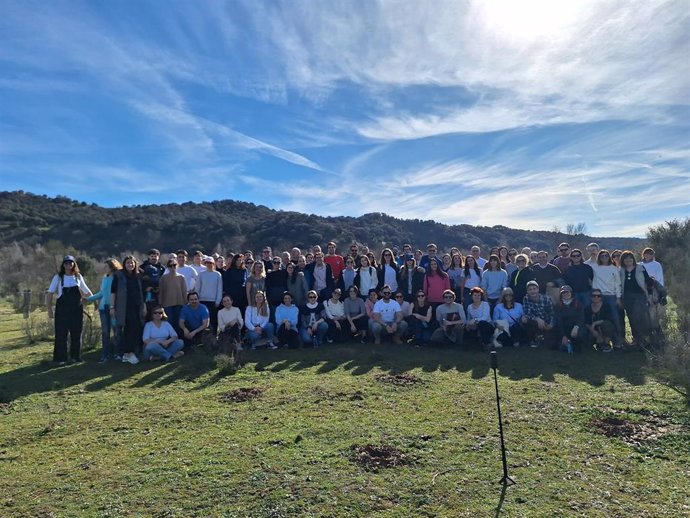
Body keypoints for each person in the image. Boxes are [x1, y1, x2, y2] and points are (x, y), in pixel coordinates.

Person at [46, 255, 93, 365]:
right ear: (63, 265)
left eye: (70, 263)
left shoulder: (78, 277)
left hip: (76, 310)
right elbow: (50, 293)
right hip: (62, 310)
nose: (68, 265)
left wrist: (91, 301)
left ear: (74, 264)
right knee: (61, 333)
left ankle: (75, 357)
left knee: (77, 333)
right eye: (66, 263)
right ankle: (60, 359)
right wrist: (49, 309)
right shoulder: (58, 277)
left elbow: (88, 292)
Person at [111, 255, 146, 364]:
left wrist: (144, 306)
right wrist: (112, 307)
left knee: (137, 329)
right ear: (124, 264)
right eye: (128, 263)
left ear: (135, 264)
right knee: (128, 329)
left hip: (137, 306)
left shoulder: (139, 275)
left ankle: (128, 354)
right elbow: (113, 292)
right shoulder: (118, 275)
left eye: (132, 263)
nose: (130, 265)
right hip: (124, 307)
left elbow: (142, 292)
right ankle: (128, 353)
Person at [86, 258, 122, 363]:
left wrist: (113, 306)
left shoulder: (117, 278)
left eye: (106, 266)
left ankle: (118, 354)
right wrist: (88, 299)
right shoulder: (104, 279)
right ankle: (105, 355)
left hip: (114, 308)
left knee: (116, 331)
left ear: (112, 267)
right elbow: (101, 293)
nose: (104, 268)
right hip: (103, 308)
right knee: (105, 332)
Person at [619, 251, 652, 348]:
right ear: (623, 260)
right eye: (626, 258)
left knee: (639, 317)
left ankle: (644, 339)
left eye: (630, 258)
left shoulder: (640, 268)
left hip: (640, 296)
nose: (628, 260)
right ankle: (636, 340)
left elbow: (648, 282)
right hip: (627, 297)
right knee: (631, 318)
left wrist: (649, 296)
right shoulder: (621, 270)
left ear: (633, 259)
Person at [591, 249, 622, 347]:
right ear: (599, 257)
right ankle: (602, 342)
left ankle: (617, 343)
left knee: (614, 319)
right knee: (599, 319)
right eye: (602, 256)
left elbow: (618, 283)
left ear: (609, 257)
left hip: (611, 296)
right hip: (599, 296)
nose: (604, 257)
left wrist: (618, 297)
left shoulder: (614, 268)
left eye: (606, 256)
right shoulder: (595, 267)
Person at [158, 258, 188, 337]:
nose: (172, 267)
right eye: (170, 266)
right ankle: (169, 340)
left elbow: (184, 291)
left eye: (174, 265)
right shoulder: (163, 278)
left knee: (179, 323)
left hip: (179, 304)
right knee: (169, 323)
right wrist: (160, 303)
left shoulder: (181, 277)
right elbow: (161, 291)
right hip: (167, 305)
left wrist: (186, 303)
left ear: (177, 265)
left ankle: (180, 340)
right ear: (168, 267)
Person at [521, 280, 555, 348]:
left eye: (534, 289)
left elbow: (552, 313)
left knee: (551, 344)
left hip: (547, 323)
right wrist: (538, 319)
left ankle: (542, 338)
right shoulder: (526, 298)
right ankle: (532, 339)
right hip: (535, 322)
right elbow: (527, 313)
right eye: (530, 289)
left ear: (538, 289)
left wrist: (551, 324)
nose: (532, 291)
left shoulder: (547, 299)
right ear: (527, 291)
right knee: (524, 320)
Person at [554, 286, 587, 353]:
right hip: (564, 329)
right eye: (563, 293)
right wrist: (563, 335)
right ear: (561, 295)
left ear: (571, 293)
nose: (566, 294)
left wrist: (576, 327)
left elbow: (581, 318)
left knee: (579, 338)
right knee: (560, 348)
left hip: (576, 329)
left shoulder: (578, 304)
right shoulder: (558, 305)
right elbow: (559, 321)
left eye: (567, 292)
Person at [197, 256, 223, 334]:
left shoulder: (217, 274)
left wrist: (218, 301)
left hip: (213, 301)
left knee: (213, 320)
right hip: (202, 300)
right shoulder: (201, 274)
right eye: (207, 263)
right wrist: (197, 299)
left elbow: (219, 289)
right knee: (202, 320)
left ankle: (214, 336)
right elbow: (197, 287)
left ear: (213, 264)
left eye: (210, 263)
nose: (209, 264)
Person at [140, 248, 165, 315]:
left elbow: (164, 280)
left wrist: (158, 288)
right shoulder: (142, 267)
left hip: (158, 296)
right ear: (148, 257)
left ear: (158, 257)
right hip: (145, 296)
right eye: (152, 256)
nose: (154, 258)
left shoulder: (162, 268)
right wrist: (146, 287)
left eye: (155, 256)